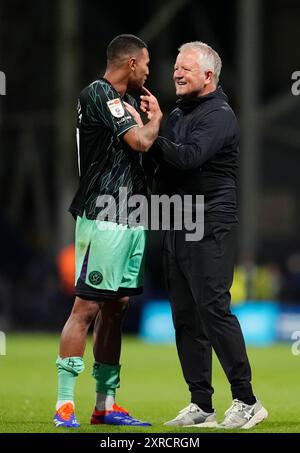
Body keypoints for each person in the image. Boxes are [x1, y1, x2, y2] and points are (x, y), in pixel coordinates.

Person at [143, 41, 268, 429]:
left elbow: (187, 157)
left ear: (208, 76)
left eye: (186, 69)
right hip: (177, 221)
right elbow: (165, 168)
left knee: (213, 309)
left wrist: (149, 134)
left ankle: (247, 401)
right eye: (175, 67)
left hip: (210, 220)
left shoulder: (220, 115)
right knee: (185, 316)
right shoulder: (180, 112)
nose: (176, 73)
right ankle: (202, 405)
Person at [53, 34, 162, 428]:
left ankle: (105, 404)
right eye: (146, 64)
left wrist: (147, 122)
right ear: (131, 63)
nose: (150, 72)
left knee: (116, 310)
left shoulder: (129, 102)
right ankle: (65, 405)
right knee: (86, 307)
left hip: (131, 215)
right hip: (103, 214)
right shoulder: (97, 94)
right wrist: (156, 119)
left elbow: (147, 155)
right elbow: (140, 140)